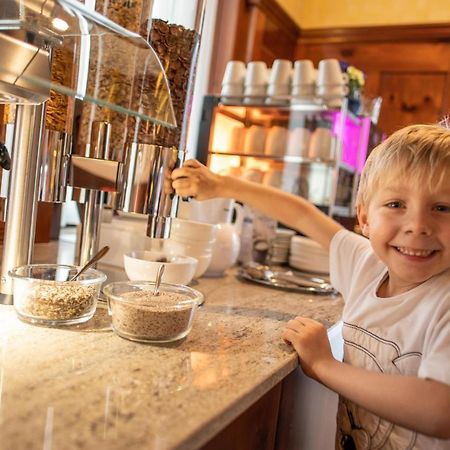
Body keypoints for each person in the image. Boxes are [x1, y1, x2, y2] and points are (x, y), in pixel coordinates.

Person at [172, 124, 450, 449]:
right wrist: (222, 184)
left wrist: (323, 365)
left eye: (443, 208)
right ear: (364, 217)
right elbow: (303, 215)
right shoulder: (367, 266)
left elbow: (439, 409)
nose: (418, 226)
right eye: (395, 204)